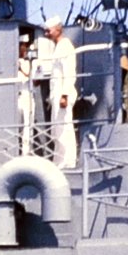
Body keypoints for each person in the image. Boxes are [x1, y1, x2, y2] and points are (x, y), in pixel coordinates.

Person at [36, 21, 78, 161]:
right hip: (57, 94)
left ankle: (67, 162)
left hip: (62, 94)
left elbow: (69, 72)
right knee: (57, 130)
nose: (46, 34)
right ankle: (59, 161)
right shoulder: (58, 47)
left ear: (58, 30)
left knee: (63, 129)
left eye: (49, 31)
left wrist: (65, 95)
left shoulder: (65, 46)